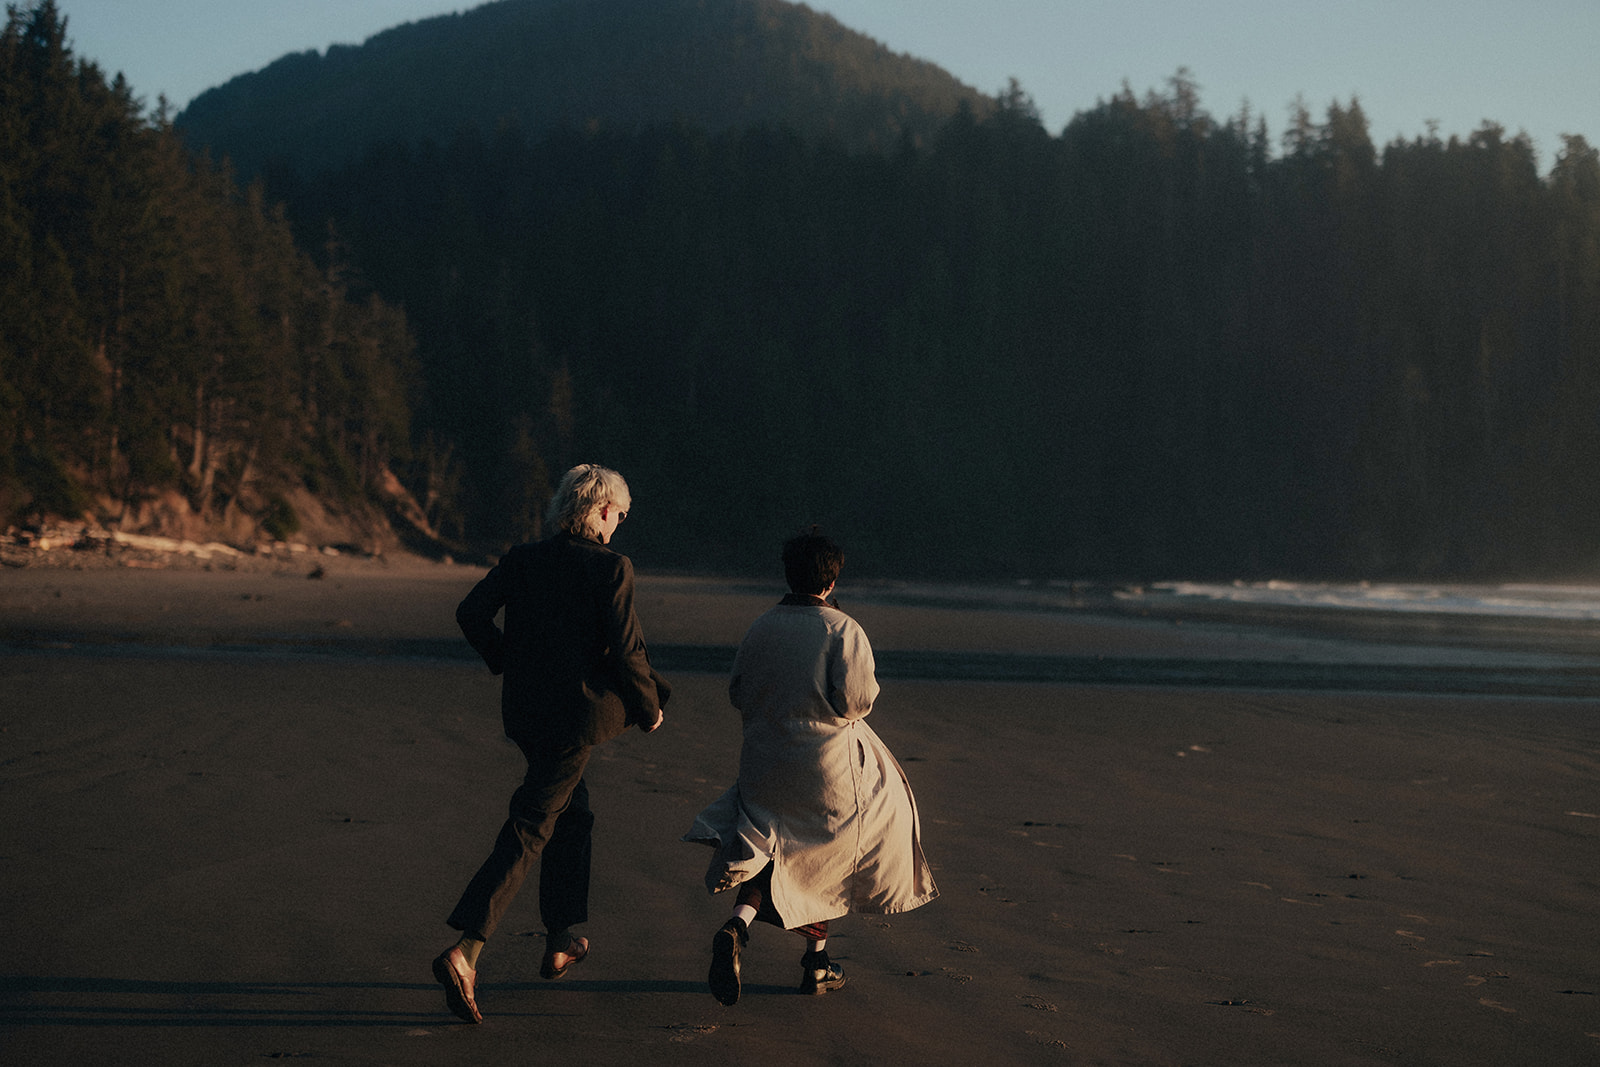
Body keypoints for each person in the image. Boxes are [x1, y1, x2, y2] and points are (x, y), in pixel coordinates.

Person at [432, 463, 669, 1025]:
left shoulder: (524, 559)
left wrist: (506, 658)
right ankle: (467, 951)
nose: (619, 525)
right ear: (602, 511)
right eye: (620, 516)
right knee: (532, 825)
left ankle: (561, 935)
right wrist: (649, 709)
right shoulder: (611, 567)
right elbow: (628, 651)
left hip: (526, 713)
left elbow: (470, 613)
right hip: (572, 721)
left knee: (572, 812)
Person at [683, 528, 936, 1004]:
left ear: (788, 574)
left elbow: (738, 692)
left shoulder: (761, 626)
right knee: (832, 851)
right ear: (832, 580)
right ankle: (815, 963)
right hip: (824, 766)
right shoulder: (842, 629)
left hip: (764, 762)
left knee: (770, 851)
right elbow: (857, 702)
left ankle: (739, 927)